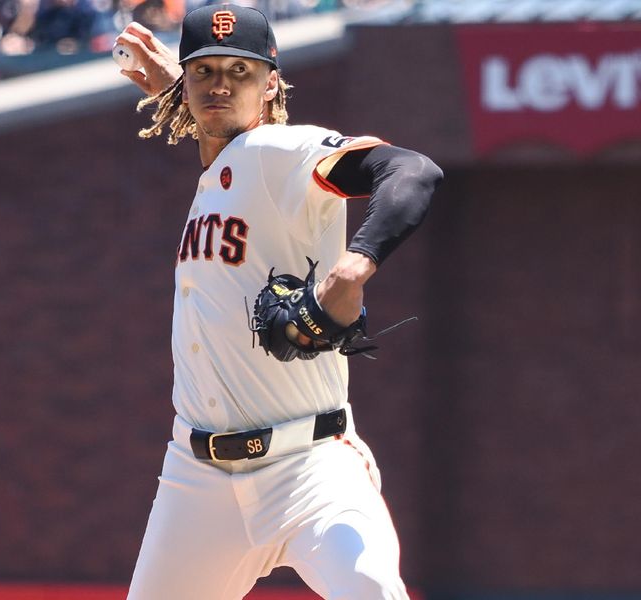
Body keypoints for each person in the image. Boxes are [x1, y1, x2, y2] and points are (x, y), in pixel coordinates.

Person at [116, 5, 443, 598]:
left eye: (240, 72)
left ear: (272, 84)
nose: (220, 85)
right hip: (198, 480)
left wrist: (356, 261)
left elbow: (411, 171)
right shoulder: (227, 163)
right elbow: (225, 141)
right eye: (205, 71)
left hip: (309, 467)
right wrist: (175, 91)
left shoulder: (283, 151)